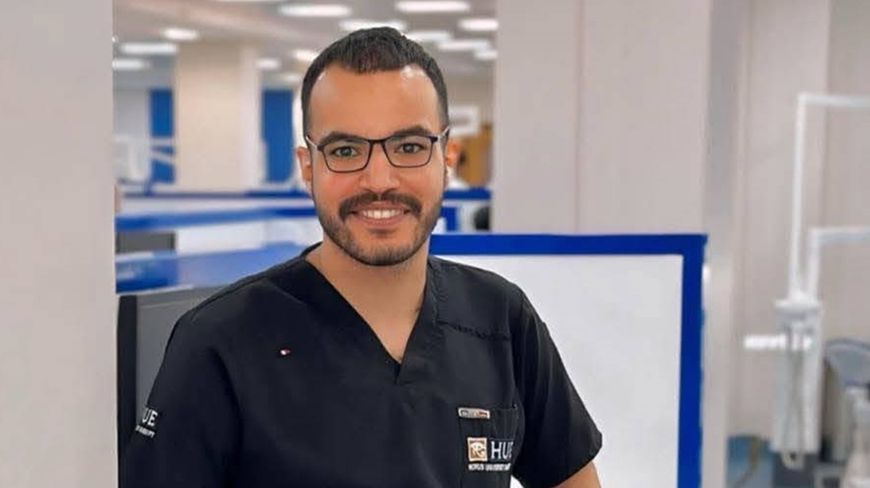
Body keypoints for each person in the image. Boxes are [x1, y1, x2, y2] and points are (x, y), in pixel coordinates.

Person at [121, 27, 602, 488]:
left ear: (447, 159)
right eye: (346, 150)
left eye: (409, 147)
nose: (379, 180)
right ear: (308, 167)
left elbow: (570, 477)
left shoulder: (500, 319)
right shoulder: (220, 342)